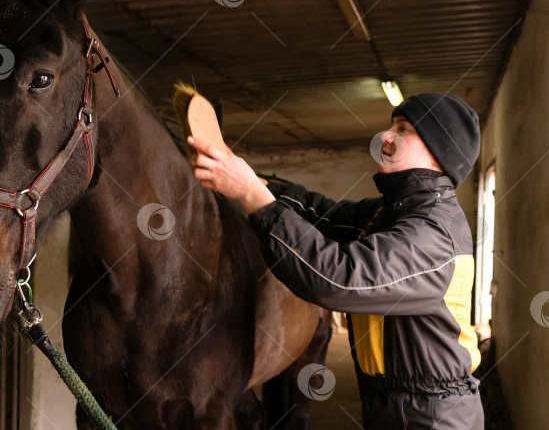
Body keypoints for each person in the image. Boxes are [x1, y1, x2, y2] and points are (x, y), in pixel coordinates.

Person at [189, 92, 484, 429]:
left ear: (438, 153)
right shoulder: (392, 214)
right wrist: (249, 180)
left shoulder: (432, 233)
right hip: (396, 407)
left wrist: (251, 197)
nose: (385, 137)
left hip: (434, 419)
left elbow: (339, 279)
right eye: (392, 126)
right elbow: (324, 215)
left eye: (403, 129)